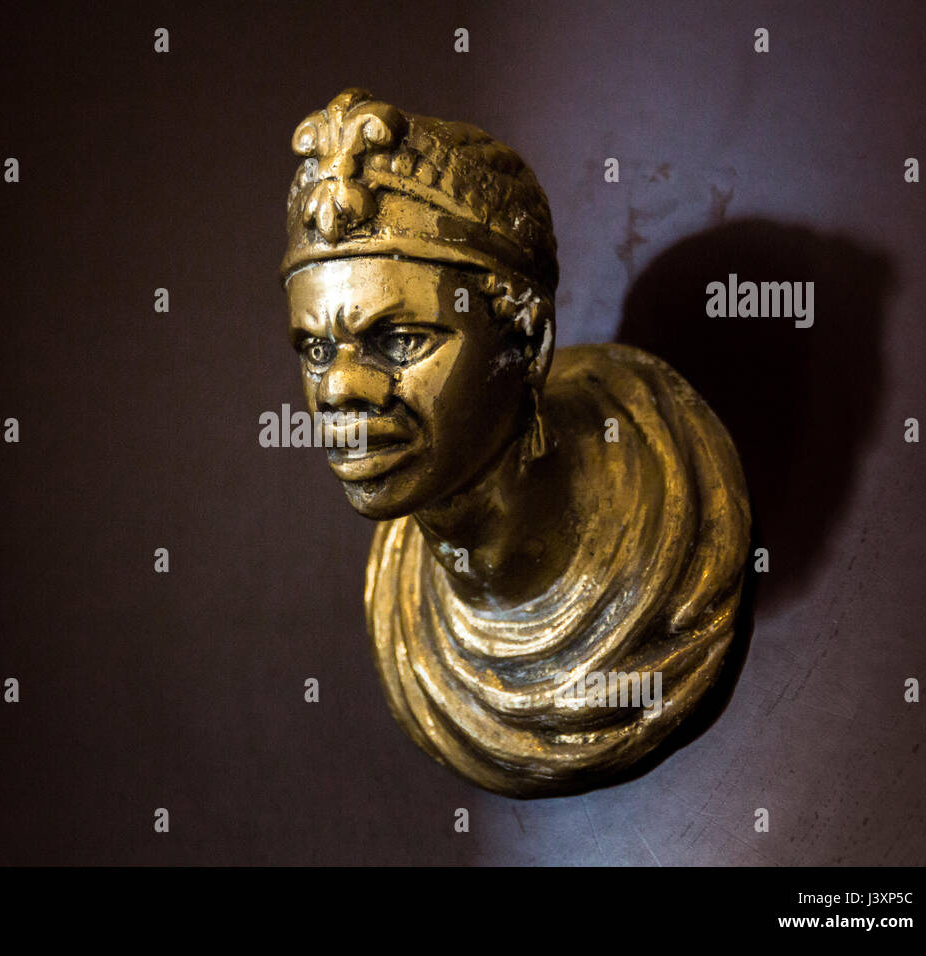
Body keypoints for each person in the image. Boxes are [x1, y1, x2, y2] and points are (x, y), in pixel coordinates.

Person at [281, 89, 750, 797]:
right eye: (316, 349)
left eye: (401, 339)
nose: (340, 390)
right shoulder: (403, 614)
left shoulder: (671, 503)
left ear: (526, 342)